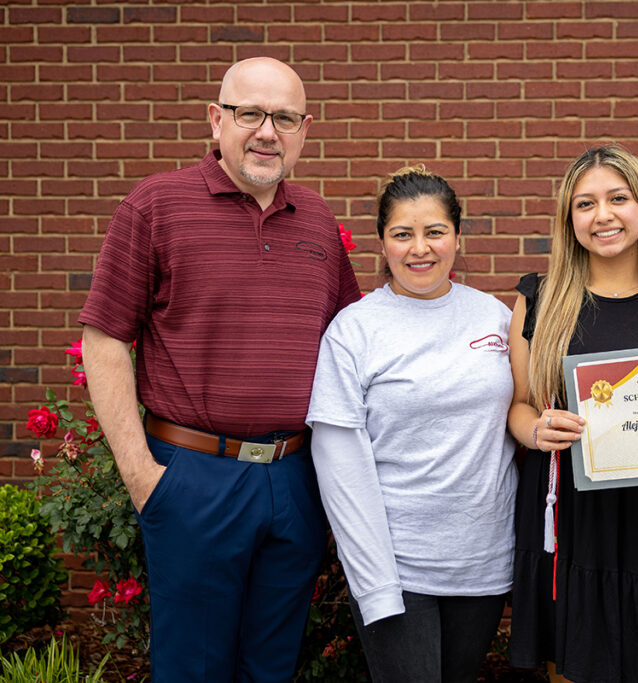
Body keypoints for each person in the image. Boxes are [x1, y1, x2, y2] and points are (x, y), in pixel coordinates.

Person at [79, 57, 361, 682]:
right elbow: (103, 338)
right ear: (216, 121)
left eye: (284, 118)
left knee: (273, 666)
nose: (267, 132)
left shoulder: (316, 219)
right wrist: (140, 474)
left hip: (295, 479)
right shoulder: (156, 206)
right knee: (192, 669)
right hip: (193, 477)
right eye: (249, 114)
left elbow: (353, 342)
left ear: (304, 132)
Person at [507, 145, 638, 683]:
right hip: (565, 511)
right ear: (568, 218)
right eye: (585, 204)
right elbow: (519, 405)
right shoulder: (541, 300)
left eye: (618, 198)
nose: (602, 216)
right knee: (568, 666)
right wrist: (535, 430)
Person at [306, 166, 518, 683]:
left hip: (484, 564)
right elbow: (339, 465)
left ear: (457, 237)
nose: (419, 249)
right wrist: (375, 584)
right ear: (382, 243)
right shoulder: (354, 330)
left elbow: (524, 414)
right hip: (399, 570)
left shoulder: (495, 318)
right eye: (403, 234)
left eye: (434, 232)